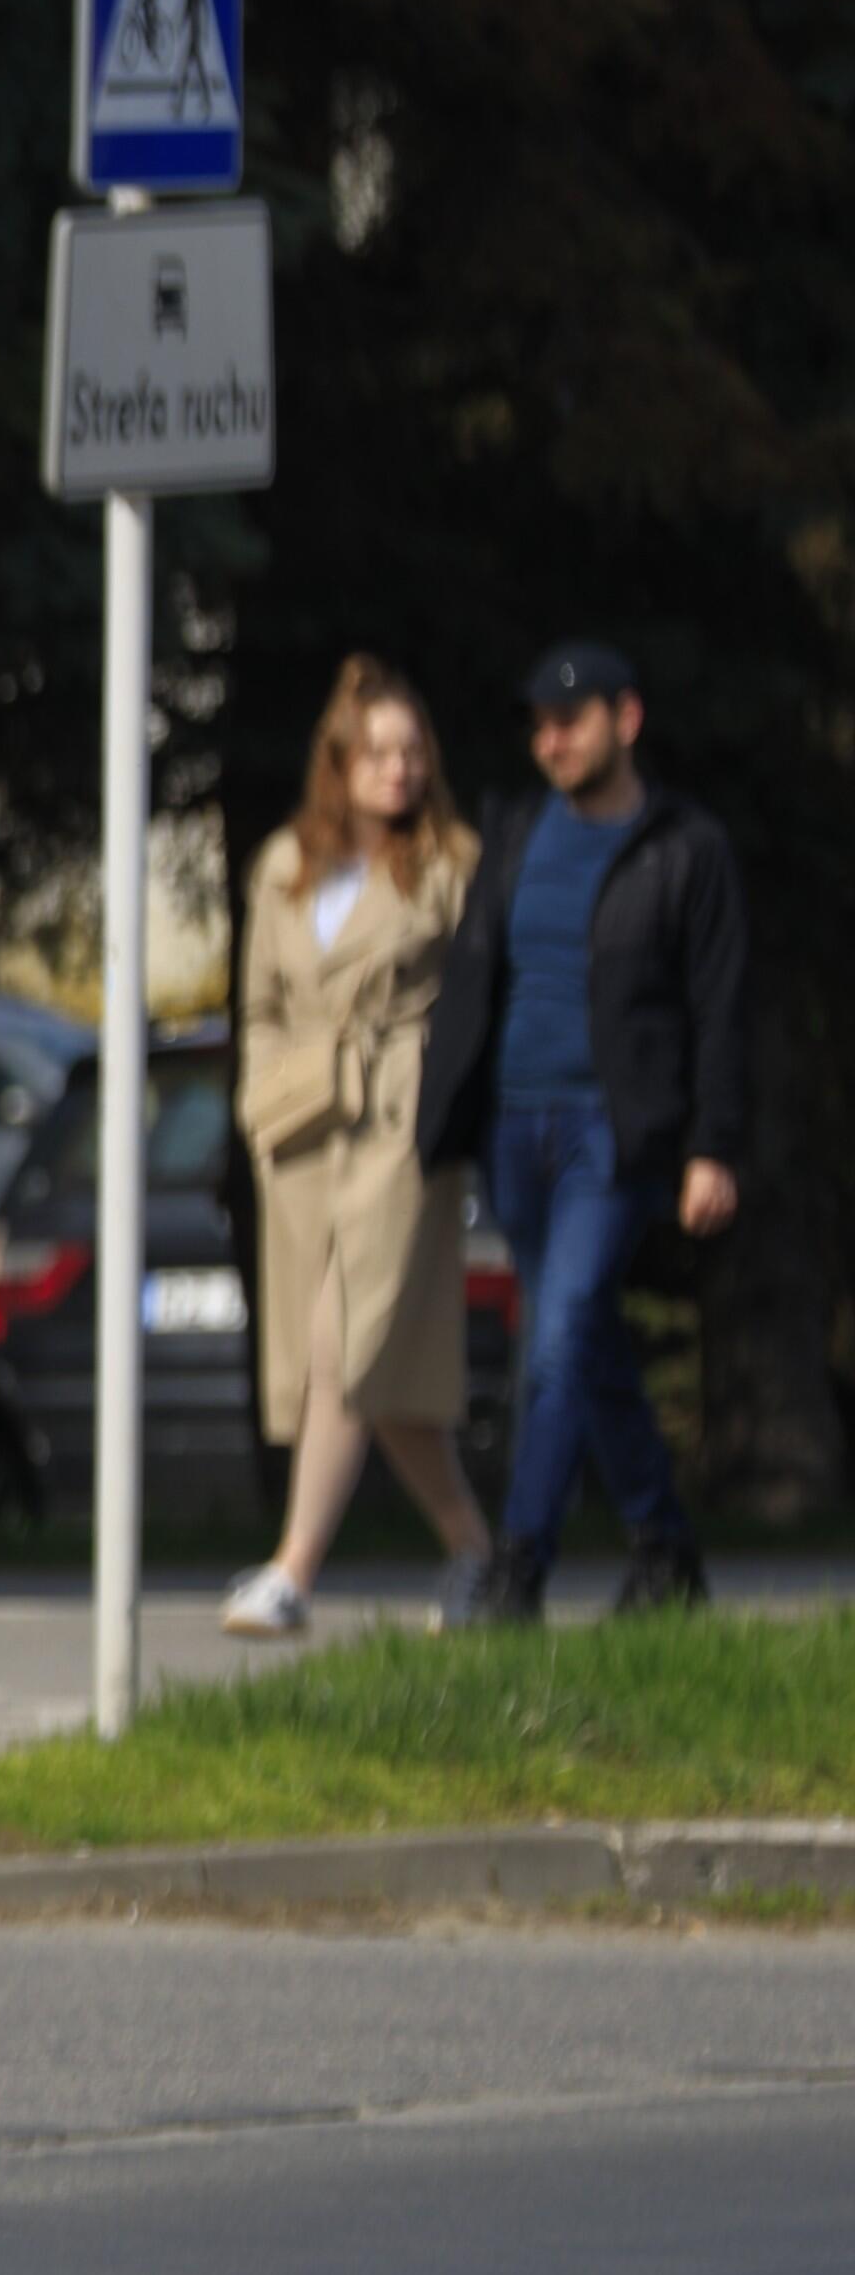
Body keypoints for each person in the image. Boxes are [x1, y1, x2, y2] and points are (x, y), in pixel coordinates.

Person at [420, 638, 747, 1624]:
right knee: (585, 1339)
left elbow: (720, 1005)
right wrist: (446, 1112)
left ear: (625, 719)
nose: (551, 741)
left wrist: (713, 1145)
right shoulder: (517, 834)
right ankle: (665, 1549)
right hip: (515, 1128)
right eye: (540, 725)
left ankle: (518, 1564)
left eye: (570, 721)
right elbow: (475, 978)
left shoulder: (683, 847)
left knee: (558, 1337)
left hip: (612, 1131)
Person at [220, 659, 495, 1638]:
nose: (399, 769)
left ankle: (292, 1572)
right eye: (377, 752)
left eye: (412, 751)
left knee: (349, 1337)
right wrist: (261, 1097)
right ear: (337, 762)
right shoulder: (285, 865)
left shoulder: (452, 862)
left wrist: (447, 1108)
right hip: (301, 1127)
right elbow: (259, 1003)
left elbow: (479, 1001)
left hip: (399, 1122)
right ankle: (478, 1555)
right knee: (366, 1370)